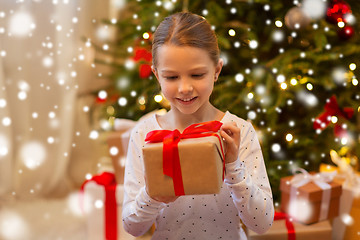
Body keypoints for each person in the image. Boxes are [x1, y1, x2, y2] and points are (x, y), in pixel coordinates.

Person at [122, 12, 274, 239]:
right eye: (172, 77)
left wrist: (233, 167)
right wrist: (153, 196)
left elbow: (262, 223)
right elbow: (132, 227)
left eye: (197, 74)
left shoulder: (236, 131)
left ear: (216, 70)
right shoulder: (145, 134)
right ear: (156, 75)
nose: (184, 88)